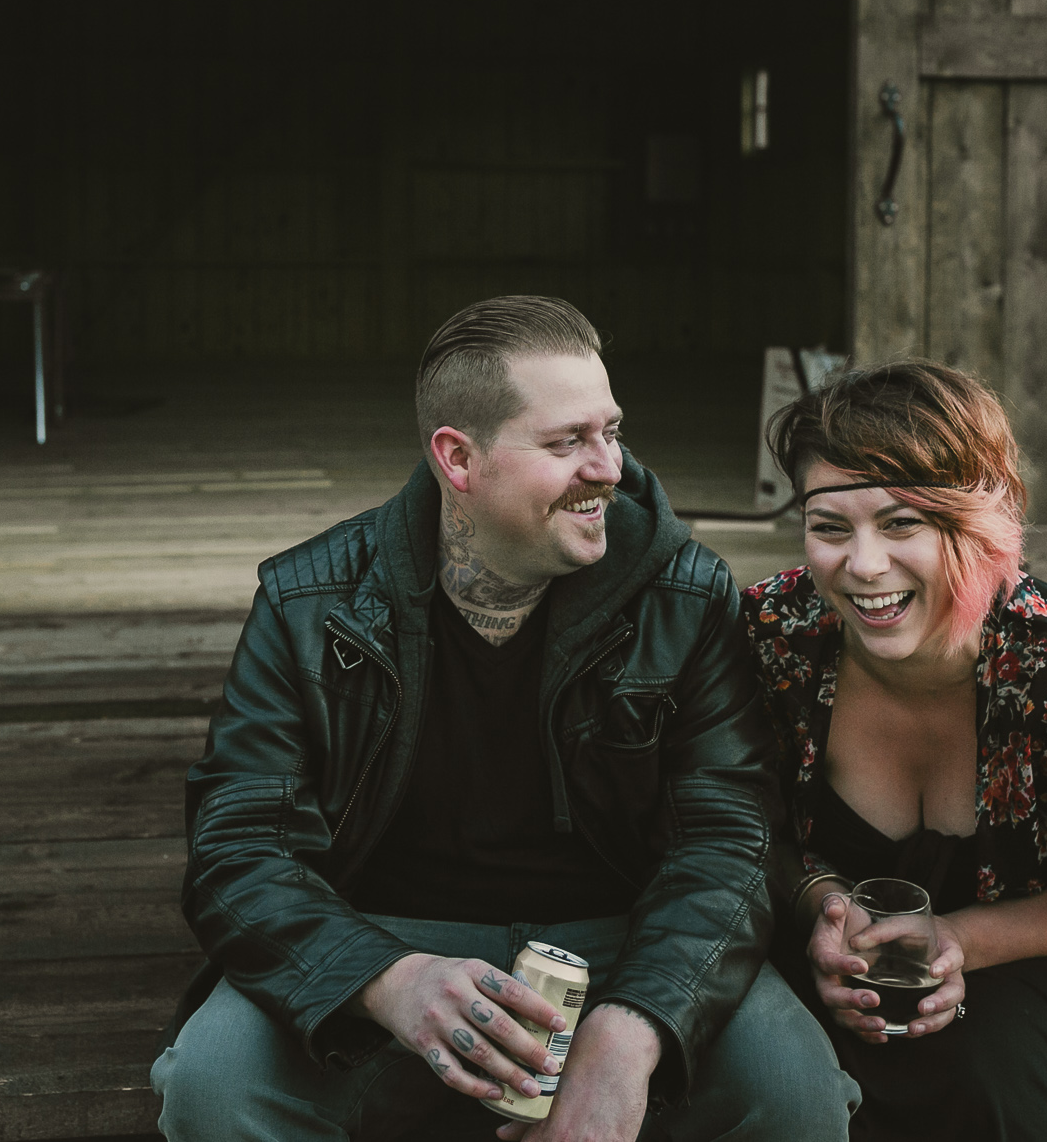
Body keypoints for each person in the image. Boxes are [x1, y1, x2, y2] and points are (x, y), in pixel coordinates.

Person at [153, 296, 857, 1142]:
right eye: (567, 442)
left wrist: (632, 1027)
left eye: (612, 430)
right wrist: (386, 978)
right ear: (458, 457)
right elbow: (238, 847)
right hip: (381, 938)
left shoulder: (685, 592)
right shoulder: (311, 603)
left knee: (791, 1088)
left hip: (630, 937)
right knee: (213, 1086)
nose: (610, 467)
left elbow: (731, 836)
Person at [741, 360, 1047, 1142]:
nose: (863, 565)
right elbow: (736, 817)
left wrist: (963, 938)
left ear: (979, 520)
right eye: (830, 526)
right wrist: (823, 910)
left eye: (903, 522)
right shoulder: (774, 637)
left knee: (989, 1074)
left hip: (1042, 958)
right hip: (846, 965)